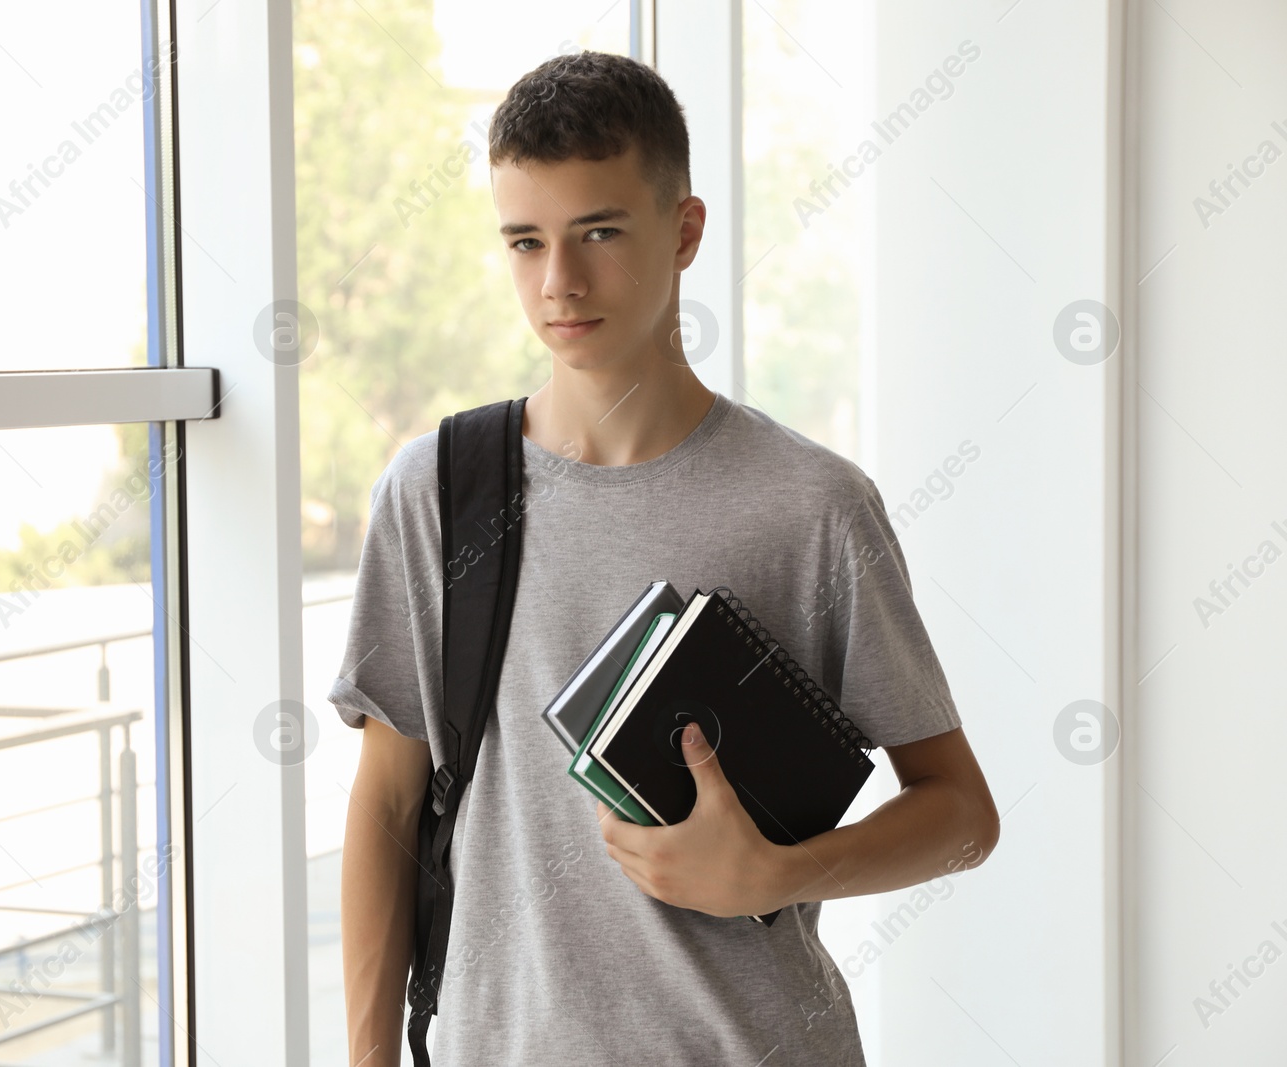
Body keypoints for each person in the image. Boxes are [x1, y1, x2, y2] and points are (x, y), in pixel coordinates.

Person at [327, 49, 1000, 1067]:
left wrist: (780, 872)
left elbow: (961, 815)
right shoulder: (435, 491)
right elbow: (385, 802)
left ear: (683, 232)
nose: (559, 282)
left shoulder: (810, 505)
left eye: (598, 231)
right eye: (525, 241)